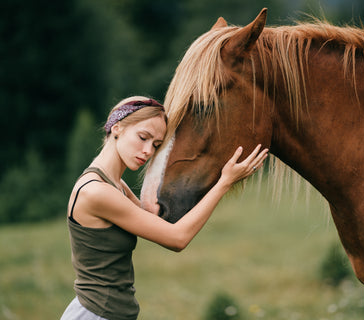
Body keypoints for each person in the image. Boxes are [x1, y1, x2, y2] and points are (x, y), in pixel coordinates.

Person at [61, 96, 268, 320]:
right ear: (117, 128)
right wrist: (224, 183)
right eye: (143, 137)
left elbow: (155, 220)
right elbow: (177, 238)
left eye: (156, 145)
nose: (148, 150)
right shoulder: (97, 192)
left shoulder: (115, 185)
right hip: (95, 314)